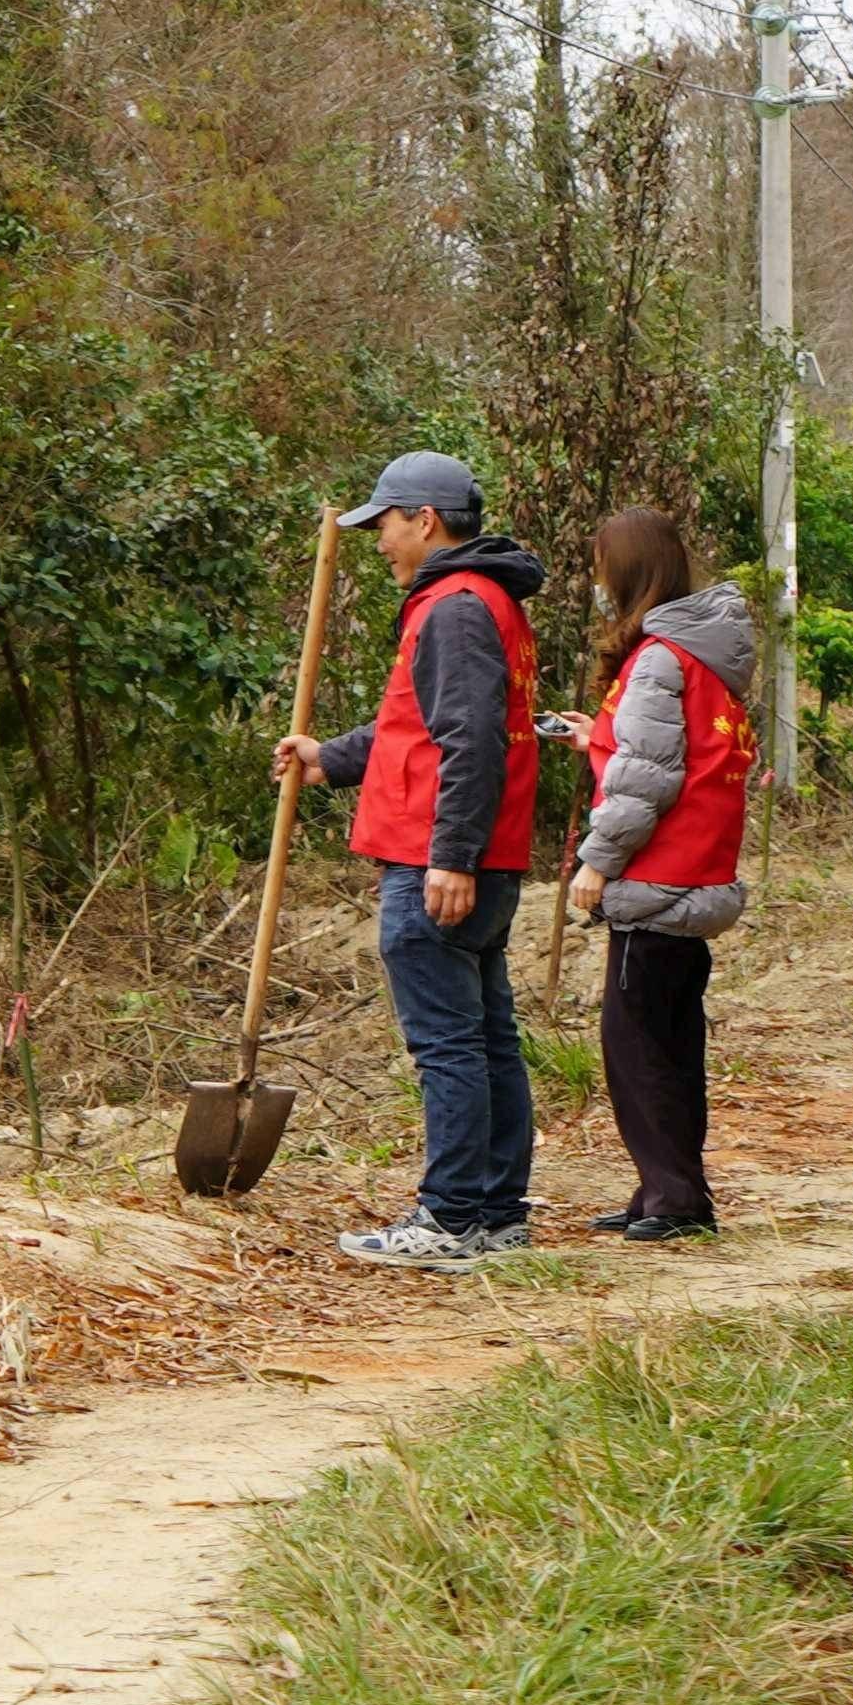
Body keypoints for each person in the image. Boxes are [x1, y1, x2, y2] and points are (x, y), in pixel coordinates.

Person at [279, 452, 547, 1267]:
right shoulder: (475, 601)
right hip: (470, 855)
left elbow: (470, 741)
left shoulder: (458, 607)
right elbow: (416, 728)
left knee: (450, 1046)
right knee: (486, 1036)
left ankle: (452, 1218)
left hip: (439, 858)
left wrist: (451, 857)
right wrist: (333, 755)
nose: (380, 542)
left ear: (424, 519)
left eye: (386, 525)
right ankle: (494, 1212)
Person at [546, 506, 752, 1241]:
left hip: (656, 883)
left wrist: (595, 864)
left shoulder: (659, 656)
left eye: (602, 568)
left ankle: (674, 1198)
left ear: (628, 571)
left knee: (635, 1050)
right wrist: (596, 738)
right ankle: (668, 1189)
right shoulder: (701, 654)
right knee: (672, 1043)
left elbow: (646, 783)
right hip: (699, 873)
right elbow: (666, 756)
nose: (598, 583)